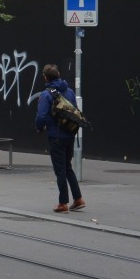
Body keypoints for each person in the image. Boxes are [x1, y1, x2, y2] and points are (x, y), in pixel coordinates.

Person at [35, 63, 85, 213]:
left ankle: (63, 203)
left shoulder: (46, 94)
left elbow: (41, 116)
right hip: (70, 134)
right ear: (58, 75)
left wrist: (39, 127)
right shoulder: (69, 91)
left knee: (60, 170)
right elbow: (75, 110)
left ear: (45, 77)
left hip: (56, 136)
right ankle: (78, 199)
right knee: (67, 167)